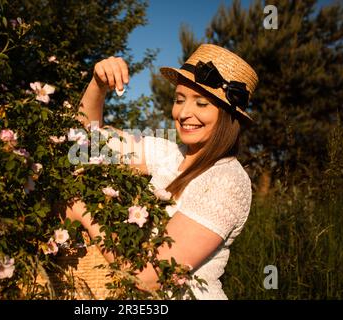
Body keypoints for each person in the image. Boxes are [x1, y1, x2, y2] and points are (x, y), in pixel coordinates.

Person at [65, 44, 259, 300]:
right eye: (179, 100)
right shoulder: (169, 154)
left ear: (226, 114)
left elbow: (146, 277)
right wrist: (97, 86)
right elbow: (85, 146)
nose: (183, 113)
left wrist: (85, 213)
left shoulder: (226, 180)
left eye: (201, 103)